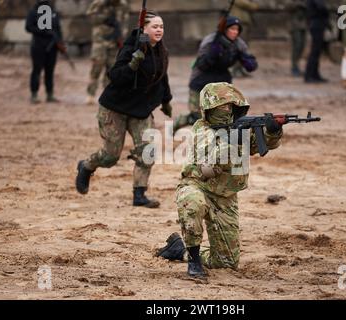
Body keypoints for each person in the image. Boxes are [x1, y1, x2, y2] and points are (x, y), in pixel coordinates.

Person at [156, 82, 283, 277]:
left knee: (226, 263)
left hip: (225, 196)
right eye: (222, 106)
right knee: (192, 204)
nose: (227, 110)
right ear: (209, 109)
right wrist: (233, 141)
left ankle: (179, 251)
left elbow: (261, 145)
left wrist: (272, 131)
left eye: (230, 107)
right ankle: (194, 259)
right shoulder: (201, 129)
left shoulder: (237, 130)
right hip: (197, 187)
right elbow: (210, 164)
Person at [75, 11, 173, 208]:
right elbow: (115, 77)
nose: (159, 30)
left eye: (161, 26)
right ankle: (86, 166)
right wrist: (132, 65)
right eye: (154, 26)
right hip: (115, 108)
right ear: (143, 29)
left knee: (148, 151)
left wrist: (166, 101)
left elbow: (162, 77)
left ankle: (139, 194)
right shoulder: (132, 48)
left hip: (141, 111)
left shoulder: (161, 51)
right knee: (111, 156)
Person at [172, 16, 258, 133]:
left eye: (237, 30)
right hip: (201, 79)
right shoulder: (210, 40)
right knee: (198, 117)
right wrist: (213, 53)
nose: (235, 32)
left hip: (222, 80)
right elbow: (201, 64)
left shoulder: (238, 44)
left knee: (222, 116)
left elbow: (251, 66)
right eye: (232, 29)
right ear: (225, 29)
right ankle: (181, 121)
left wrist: (246, 59)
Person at [86, 0, 131, 105]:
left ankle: (107, 95)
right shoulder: (99, 3)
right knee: (97, 66)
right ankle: (91, 94)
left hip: (115, 42)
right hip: (100, 41)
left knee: (112, 68)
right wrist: (105, 19)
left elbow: (125, 23)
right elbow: (90, 17)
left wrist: (121, 37)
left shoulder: (123, 5)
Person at [25, 0, 63, 104]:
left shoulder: (53, 12)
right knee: (37, 71)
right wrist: (43, 31)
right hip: (38, 46)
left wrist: (60, 43)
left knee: (49, 71)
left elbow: (58, 28)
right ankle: (34, 94)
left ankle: (50, 94)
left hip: (52, 47)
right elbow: (28, 27)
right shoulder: (33, 12)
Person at [230, 0, 259, 78]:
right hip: (239, 24)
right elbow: (251, 6)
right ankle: (235, 70)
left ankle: (240, 69)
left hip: (244, 24)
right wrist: (253, 4)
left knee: (243, 48)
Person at [304, 0, 329, 83]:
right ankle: (309, 75)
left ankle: (315, 74)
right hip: (316, 23)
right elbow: (321, 7)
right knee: (315, 51)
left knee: (317, 51)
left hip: (317, 23)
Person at [289, 0, 307, 77]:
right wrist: (298, 4)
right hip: (295, 25)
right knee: (297, 46)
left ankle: (297, 66)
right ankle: (294, 67)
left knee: (301, 46)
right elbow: (287, 7)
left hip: (303, 25)